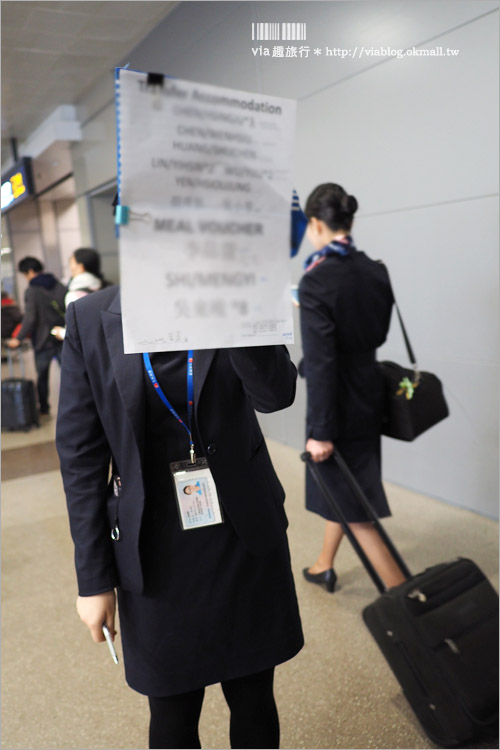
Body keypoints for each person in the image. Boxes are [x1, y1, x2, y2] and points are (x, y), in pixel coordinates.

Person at [56, 285, 303, 749]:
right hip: (154, 548)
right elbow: (81, 456)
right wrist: (92, 580)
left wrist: (234, 304)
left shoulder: (236, 293)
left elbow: (276, 394)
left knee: (254, 698)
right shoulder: (89, 319)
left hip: (241, 534)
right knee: (172, 711)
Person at [298, 183, 406, 593]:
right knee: (347, 486)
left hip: (336, 405)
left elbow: (324, 361)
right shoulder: (375, 269)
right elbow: (372, 333)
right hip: (368, 390)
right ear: (350, 220)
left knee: (355, 505)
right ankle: (325, 564)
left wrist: (321, 431)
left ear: (314, 224)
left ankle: (407, 602)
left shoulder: (316, 280)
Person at [7, 257, 66, 416]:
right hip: (61, 337)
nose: (26, 278)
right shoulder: (58, 285)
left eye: (25, 274)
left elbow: (30, 318)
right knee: (69, 374)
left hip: (42, 340)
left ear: (31, 272)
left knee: (42, 376)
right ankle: (75, 405)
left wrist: (18, 338)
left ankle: (45, 408)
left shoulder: (32, 290)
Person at [51, 247, 109, 341]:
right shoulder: (106, 287)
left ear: (80, 267)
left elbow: (75, 332)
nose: (70, 267)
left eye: (71, 263)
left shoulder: (74, 295)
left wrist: (61, 333)